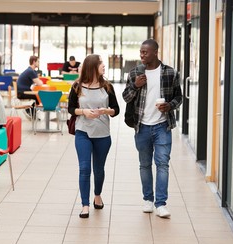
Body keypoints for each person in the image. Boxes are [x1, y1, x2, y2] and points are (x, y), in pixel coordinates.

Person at [122, 39, 182, 218]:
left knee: (162, 164)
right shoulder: (135, 73)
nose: (142, 55)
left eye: (145, 52)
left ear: (155, 52)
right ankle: (148, 200)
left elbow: (179, 97)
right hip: (142, 126)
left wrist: (169, 106)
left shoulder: (170, 73)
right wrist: (135, 85)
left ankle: (161, 204)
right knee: (145, 164)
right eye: (140, 52)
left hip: (163, 125)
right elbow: (125, 97)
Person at [67, 54, 119, 218]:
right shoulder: (77, 86)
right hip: (83, 132)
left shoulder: (107, 86)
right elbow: (70, 109)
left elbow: (116, 110)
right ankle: (85, 205)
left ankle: (97, 195)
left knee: (98, 169)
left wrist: (105, 110)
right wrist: (83, 112)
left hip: (103, 134)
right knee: (84, 168)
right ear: (92, 67)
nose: (104, 65)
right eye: (101, 63)